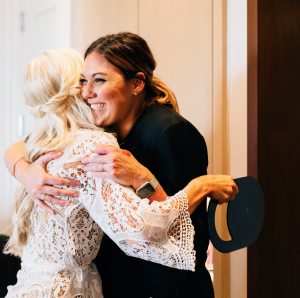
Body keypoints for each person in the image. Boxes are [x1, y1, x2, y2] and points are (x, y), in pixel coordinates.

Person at [5, 33, 238, 298]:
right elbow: (20, 146)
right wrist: (23, 170)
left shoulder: (168, 132)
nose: (87, 92)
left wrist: (147, 180)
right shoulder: (91, 132)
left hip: (161, 289)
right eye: (83, 81)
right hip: (113, 282)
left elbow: (185, 234)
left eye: (98, 80)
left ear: (137, 84)